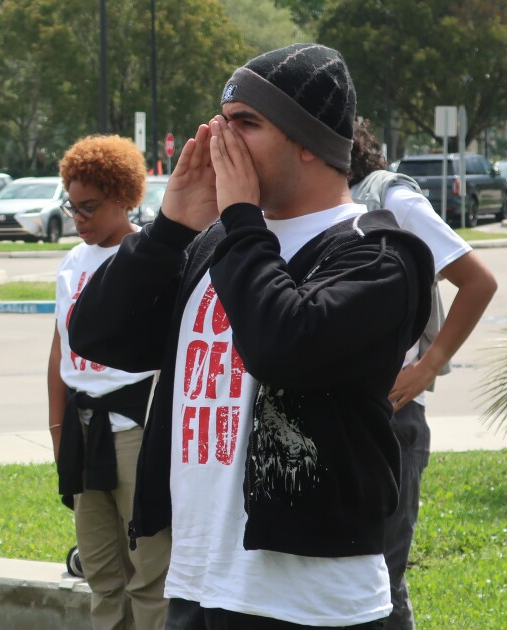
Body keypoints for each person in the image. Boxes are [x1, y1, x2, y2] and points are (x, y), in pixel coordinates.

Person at [68, 43, 435, 628]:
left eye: (245, 124)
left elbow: (283, 346)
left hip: (310, 603)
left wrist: (239, 220)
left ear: (309, 142)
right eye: (219, 123)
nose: (221, 140)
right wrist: (167, 232)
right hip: (197, 584)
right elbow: (96, 336)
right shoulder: (216, 244)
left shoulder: (380, 254)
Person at [348, 120, 496, 629]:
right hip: (339, 418)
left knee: (382, 582)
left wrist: (427, 367)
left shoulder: (389, 199)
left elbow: (477, 280)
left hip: (392, 418)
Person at [48, 135, 170, 629]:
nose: (79, 219)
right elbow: (58, 350)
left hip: (136, 429)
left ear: (125, 196)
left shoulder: (147, 256)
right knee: (101, 574)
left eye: (90, 208)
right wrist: (58, 431)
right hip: (82, 430)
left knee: (149, 575)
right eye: (72, 208)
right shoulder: (71, 263)